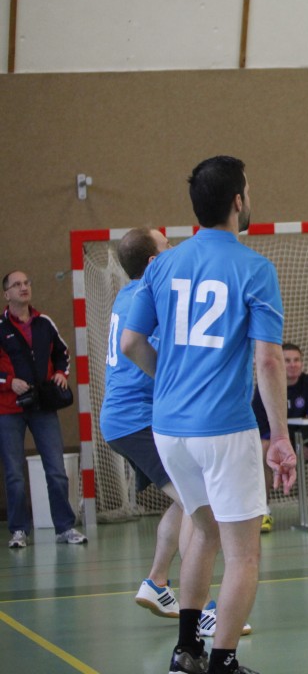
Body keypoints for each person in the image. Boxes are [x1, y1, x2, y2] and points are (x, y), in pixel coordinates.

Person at [122, 155, 296, 674]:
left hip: (169, 429)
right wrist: (279, 436)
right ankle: (223, 660)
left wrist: (172, 384)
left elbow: (131, 343)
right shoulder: (255, 269)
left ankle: (187, 653)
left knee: (202, 530)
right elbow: (268, 361)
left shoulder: (161, 265)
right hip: (223, 429)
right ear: (238, 201)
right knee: (244, 555)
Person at [102, 227, 186, 616]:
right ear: (154, 262)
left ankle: (157, 582)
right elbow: (142, 350)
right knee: (201, 507)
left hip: (131, 419)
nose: (174, 249)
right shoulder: (151, 297)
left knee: (191, 500)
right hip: (135, 420)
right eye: (167, 245)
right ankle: (197, 608)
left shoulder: (128, 294)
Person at [0, 270, 86, 547]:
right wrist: (10, 382)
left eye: (26, 283)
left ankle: (65, 528)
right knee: (14, 473)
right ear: (7, 294)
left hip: (43, 407)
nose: (23, 287)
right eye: (17, 284)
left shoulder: (44, 323)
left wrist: (61, 373)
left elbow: (62, 353)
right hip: (8, 410)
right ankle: (19, 531)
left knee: (56, 469)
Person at [252, 343, 308, 531]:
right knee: (263, 450)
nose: (293, 365)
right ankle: (264, 512)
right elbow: (261, 423)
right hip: (275, 440)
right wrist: (291, 447)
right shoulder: (265, 385)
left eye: (296, 360)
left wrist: (302, 445)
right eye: (287, 361)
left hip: (307, 439)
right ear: (279, 363)